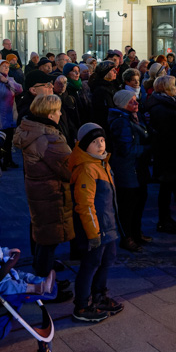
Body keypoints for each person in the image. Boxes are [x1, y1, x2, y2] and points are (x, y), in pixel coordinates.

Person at [13, 94, 74, 285]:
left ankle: (42, 270)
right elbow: (68, 168)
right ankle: (44, 284)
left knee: (43, 233)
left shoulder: (30, 127)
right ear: (49, 114)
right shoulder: (49, 136)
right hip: (51, 192)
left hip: (38, 188)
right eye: (57, 110)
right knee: (50, 236)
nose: (60, 113)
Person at [69, 123, 125, 323]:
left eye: (102, 140)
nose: (100, 145)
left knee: (107, 260)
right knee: (91, 264)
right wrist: (93, 233)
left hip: (108, 226)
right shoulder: (87, 169)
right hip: (95, 229)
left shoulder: (102, 163)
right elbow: (85, 205)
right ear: (84, 145)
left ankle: (99, 295)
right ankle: (82, 306)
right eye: (94, 142)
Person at [141, 76, 176, 233]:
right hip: (167, 153)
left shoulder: (166, 103)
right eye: (173, 86)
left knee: (167, 188)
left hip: (170, 152)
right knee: (165, 188)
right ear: (166, 89)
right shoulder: (160, 107)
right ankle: (163, 220)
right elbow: (168, 132)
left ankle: (167, 218)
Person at [107, 90, 149, 253]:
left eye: (136, 100)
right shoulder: (121, 121)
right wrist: (147, 149)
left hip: (137, 167)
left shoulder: (134, 117)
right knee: (128, 205)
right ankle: (127, 237)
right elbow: (126, 148)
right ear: (123, 103)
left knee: (139, 201)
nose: (136, 103)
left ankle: (136, 233)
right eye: (132, 101)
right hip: (128, 168)